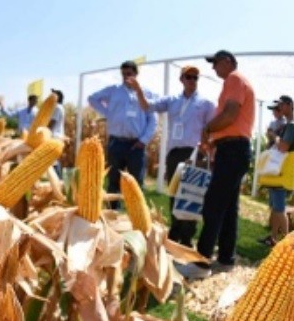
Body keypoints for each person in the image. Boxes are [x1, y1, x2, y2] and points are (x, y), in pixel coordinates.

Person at [181, 50, 255, 279]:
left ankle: (201, 263)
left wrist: (208, 129)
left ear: (227, 62)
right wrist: (213, 141)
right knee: (228, 207)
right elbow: (232, 119)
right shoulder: (238, 82)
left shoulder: (234, 79)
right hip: (234, 149)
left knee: (213, 204)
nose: (213, 68)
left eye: (215, 64)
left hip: (232, 150)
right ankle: (225, 258)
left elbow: (230, 114)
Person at [139, 65, 215, 247]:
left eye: (195, 77)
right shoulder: (172, 100)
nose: (192, 80)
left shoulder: (206, 104)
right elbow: (147, 107)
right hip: (174, 153)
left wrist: (209, 154)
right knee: (174, 192)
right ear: (181, 79)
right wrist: (137, 90)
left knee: (191, 195)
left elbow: (213, 130)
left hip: (195, 153)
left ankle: (187, 237)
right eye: (188, 77)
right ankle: (175, 232)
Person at [88, 60, 157, 208]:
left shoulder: (147, 93)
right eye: (124, 74)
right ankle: (114, 215)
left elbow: (153, 120)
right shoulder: (114, 90)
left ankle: (138, 218)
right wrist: (108, 113)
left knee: (136, 184)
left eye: (130, 73)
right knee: (114, 182)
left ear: (136, 74)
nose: (126, 76)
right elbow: (92, 98)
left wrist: (144, 140)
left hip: (136, 145)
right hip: (116, 143)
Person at [259, 95, 294, 246]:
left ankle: (287, 244)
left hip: (282, 172)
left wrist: (273, 137)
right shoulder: (289, 125)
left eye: (282, 105)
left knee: (279, 209)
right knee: (276, 208)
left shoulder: (291, 126)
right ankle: (273, 238)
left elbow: (283, 147)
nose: (280, 108)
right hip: (280, 171)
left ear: (290, 105)